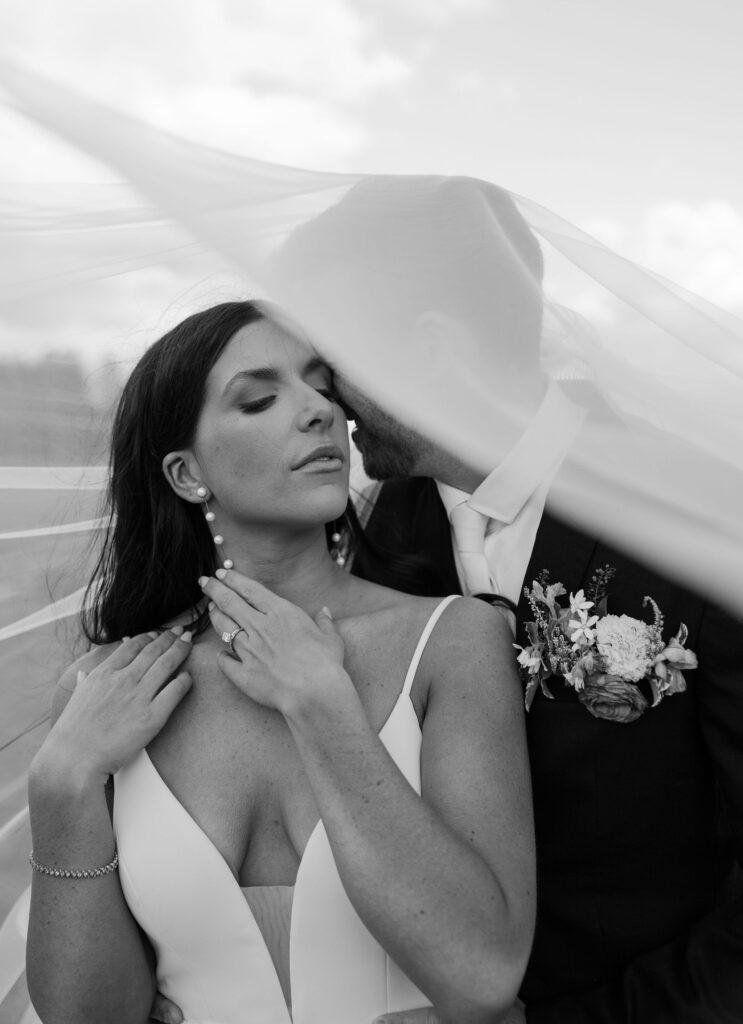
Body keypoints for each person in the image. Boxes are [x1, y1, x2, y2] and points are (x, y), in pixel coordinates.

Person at [277, 180, 743, 1023]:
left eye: (330, 363)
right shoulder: (378, 536)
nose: (321, 404)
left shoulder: (702, 517)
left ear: (426, 348)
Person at [24, 299, 535, 1024]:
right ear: (185, 473)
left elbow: (482, 975)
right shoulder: (107, 695)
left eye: (322, 387)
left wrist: (322, 706)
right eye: (260, 399)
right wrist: (63, 786)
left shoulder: (451, 642)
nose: (319, 412)